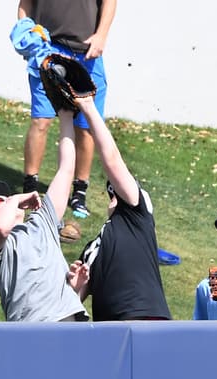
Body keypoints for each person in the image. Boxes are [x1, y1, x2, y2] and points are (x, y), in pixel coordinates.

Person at [0, 108, 87, 322]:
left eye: (6, 198)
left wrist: (65, 116)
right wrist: (15, 199)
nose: (5, 199)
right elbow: (0, 228)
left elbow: (66, 170)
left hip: (69, 325)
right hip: (31, 330)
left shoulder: (42, 222)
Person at [65, 94, 172, 321]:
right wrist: (74, 288)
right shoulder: (91, 249)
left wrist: (87, 106)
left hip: (146, 320)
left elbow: (112, 160)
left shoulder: (137, 213)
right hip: (109, 333)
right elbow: (72, 306)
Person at [17, 0, 116, 221]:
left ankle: (79, 192)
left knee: (86, 126)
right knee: (40, 121)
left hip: (87, 53)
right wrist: (26, 32)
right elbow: (26, 5)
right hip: (47, 49)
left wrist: (101, 35)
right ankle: (29, 186)